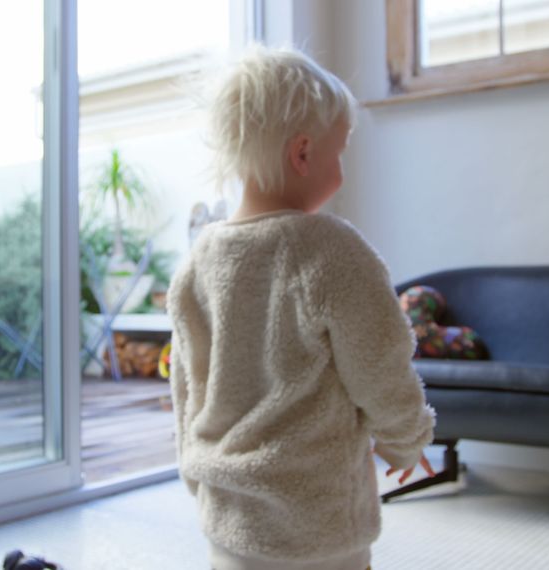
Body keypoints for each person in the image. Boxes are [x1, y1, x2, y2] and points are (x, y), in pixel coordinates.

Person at [165, 45, 436, 570]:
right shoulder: (330, 250)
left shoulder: (197, 263)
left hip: (230, 518)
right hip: (319, 524)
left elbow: (186, 391)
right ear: (303, 153)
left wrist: (195, 476)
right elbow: (380, 364)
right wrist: (407, 438)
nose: (341, 171)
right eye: (339, 155)